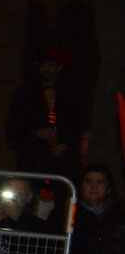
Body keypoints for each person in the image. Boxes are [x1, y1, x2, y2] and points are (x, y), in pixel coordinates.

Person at [6, 44, 85, 180]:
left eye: (50, 65)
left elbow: (78, 124)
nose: (46, 69)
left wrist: (65, 144)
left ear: (59, 67)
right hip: (33, 160)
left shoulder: (71, 94)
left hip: (63, 163)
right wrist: (36, 133)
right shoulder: (25, 93)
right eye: (43, 66)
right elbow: (13, 127)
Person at [66, 164, 119, 254]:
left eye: (100, 182)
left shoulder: (118, 215)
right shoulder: (66, 213)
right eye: (89, 182)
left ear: (109, 188)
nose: (94, 186)